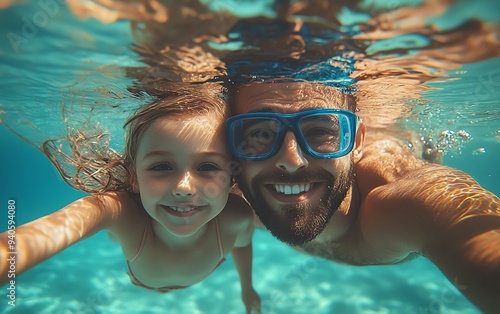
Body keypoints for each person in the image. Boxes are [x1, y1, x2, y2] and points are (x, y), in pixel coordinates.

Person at [225, 80, 500, 313]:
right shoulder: (235, 196)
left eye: (320, 131)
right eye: (260, 132)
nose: (291, 160)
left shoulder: (399, 202)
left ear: (357, 142)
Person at [0, 83, 261, 313]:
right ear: (133, 176)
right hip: (142, 280)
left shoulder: (237, 217)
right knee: (116, 230)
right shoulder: (120, 213)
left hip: (189, 272)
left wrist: (247, 288)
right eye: (161, 167)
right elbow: (47, 232)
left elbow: (241, 246)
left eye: (207, 167)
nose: (184, 188)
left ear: (231, 176)